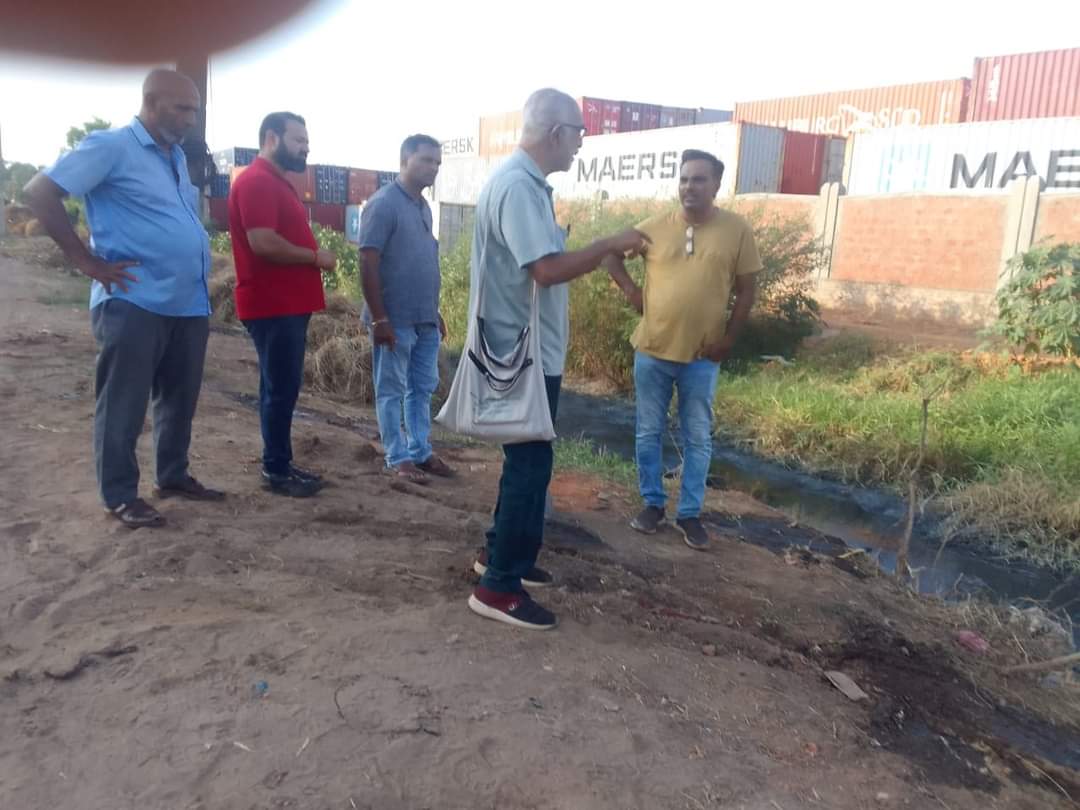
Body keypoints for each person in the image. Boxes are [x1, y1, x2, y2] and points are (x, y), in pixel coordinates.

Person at [467, 88, 648, 630]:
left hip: (526, 348)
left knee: (526, 460)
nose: (580, 144)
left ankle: (503, 557)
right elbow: (545, 270)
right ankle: (497, 587)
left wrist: (597, 251)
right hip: (521, 353)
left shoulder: (528, 187)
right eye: (579, 133)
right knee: (530, 463)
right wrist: (605, 245)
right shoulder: (518, 188)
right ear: (554, 133)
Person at [24, 68, 224, 528]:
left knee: (179, 399)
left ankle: (172, 476)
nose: (191, 118)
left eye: (194, 110)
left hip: (188, 302)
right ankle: (119, 495)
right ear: (151, 102)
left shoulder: (175, 156)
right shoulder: (111, 146)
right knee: (124, 403)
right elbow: (40, 191)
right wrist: (86, 261)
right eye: (182, 108)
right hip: (135, 300)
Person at [605, 149, 761, 550]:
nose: (689, 187)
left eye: (699, 179)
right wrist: (632, 292)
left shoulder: (736, 230)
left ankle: (689, 514)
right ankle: (652, 504)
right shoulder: (654, 227)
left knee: (697, 437)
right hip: (652, 350)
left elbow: (747, 291)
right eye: (684, 179)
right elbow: (609, 254)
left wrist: (729, 339)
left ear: (717, 185)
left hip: (702, 356)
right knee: (648, 432)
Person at [228, 111, 337, 498]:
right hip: (273, 304)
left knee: (281, 387)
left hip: (284, 304)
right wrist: (315, 257)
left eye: (307, 140)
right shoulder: (257, 181)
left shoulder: (275, 182)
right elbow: (263, 242)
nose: (306, 147)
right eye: (299, 139)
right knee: (280, 388)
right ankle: (275, 470)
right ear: (272, 138)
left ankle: (280, 462)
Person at [359, 134, 452, 484]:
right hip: (394, 318)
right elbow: (367, 261)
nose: (433, 168)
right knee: (391, 389)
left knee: (422, 388)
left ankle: (420, 451)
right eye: (426, 160)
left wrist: (434, 312)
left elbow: (419, 260)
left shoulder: (423, 207)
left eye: (437, 162)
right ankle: (397, 457)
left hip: (423, 318)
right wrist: (379, 318)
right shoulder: (384, 204)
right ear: (404, 160)